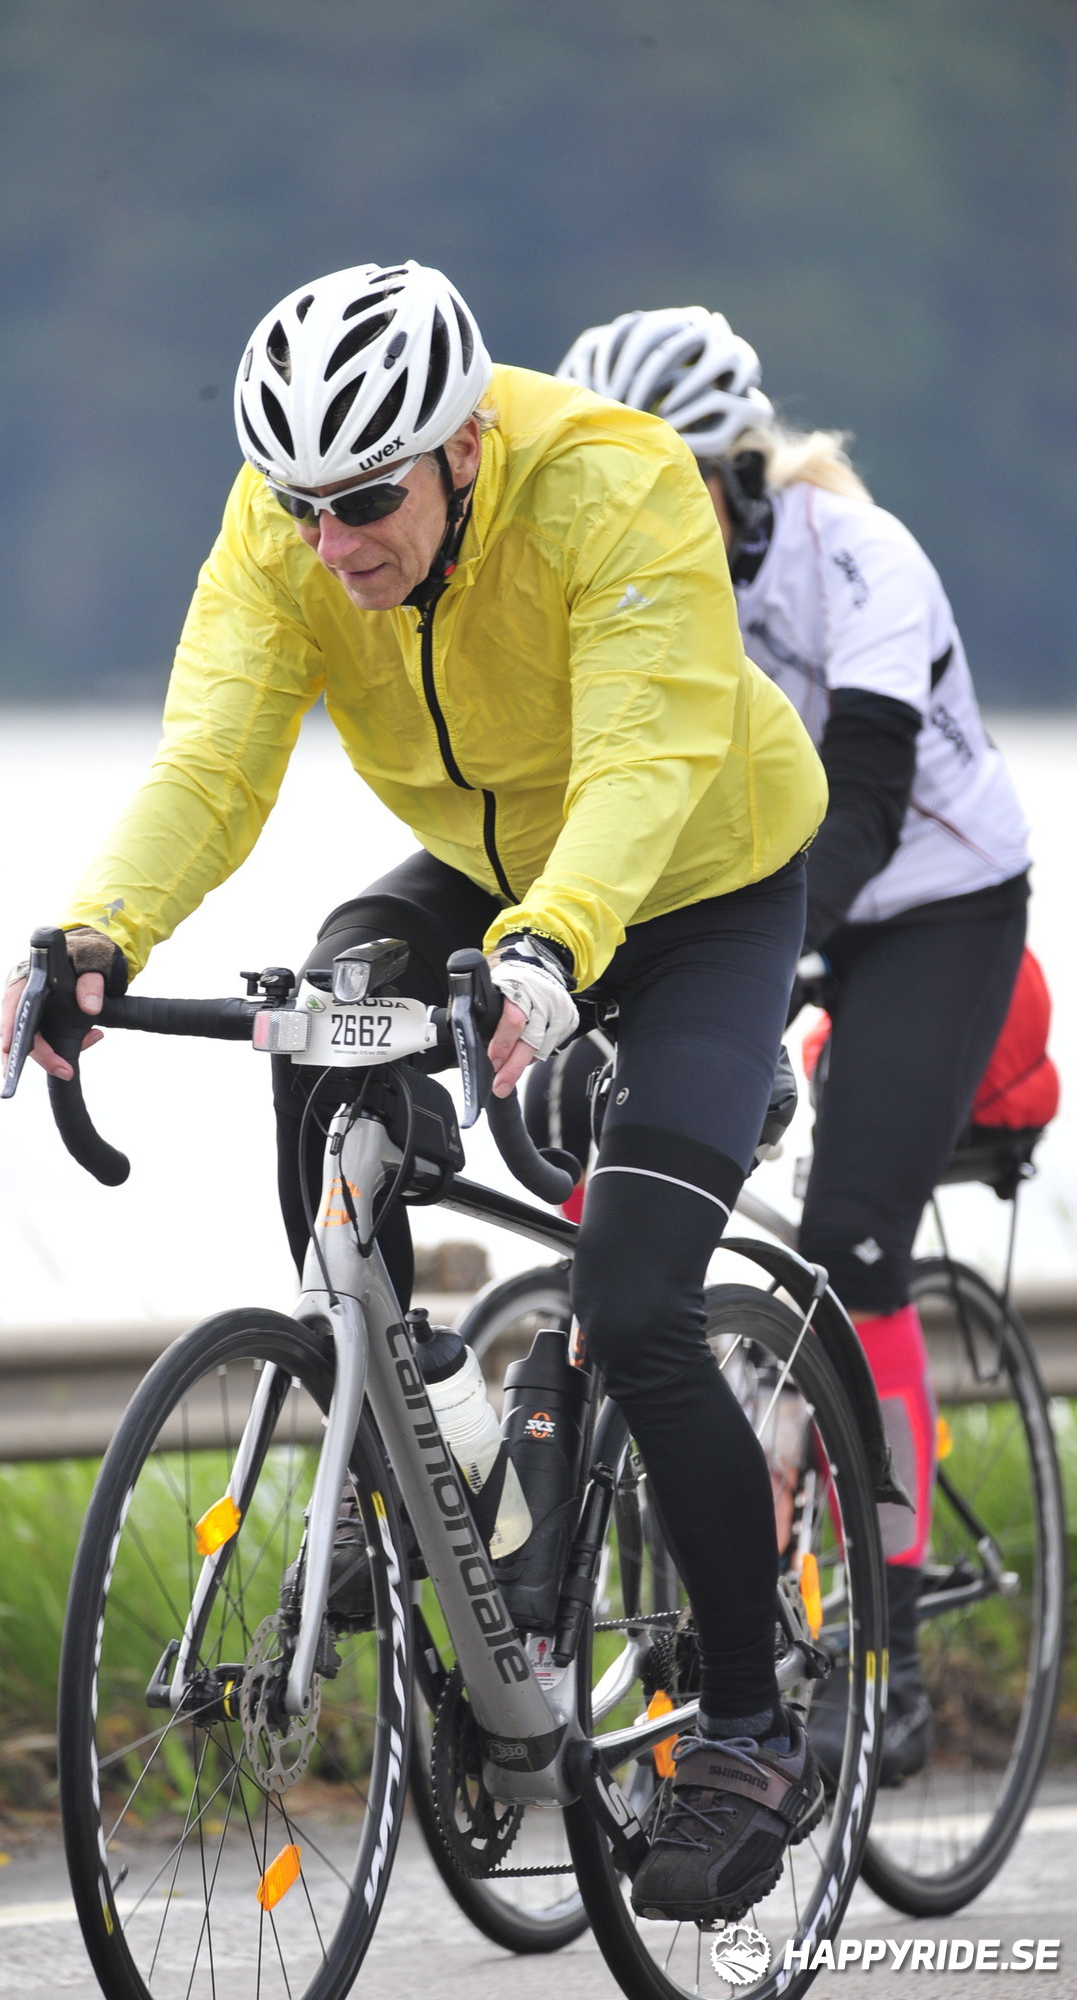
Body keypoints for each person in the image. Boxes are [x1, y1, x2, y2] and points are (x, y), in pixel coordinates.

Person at [1, 262, 830, 1922]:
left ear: (463, 449)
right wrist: (102, 931)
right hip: (491, 873)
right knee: (328, 1012)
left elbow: (648, 761)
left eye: (366, 501)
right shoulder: (292, 531)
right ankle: (429, 1426)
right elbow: (214, 760)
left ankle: (749, 1732)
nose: (332, 543)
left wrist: (551, 950)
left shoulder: (610, 481)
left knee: (637, 1301)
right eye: (300, 505)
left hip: (702, 879)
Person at [556, 305, 1031, 1784]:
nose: (642, 514)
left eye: (671, 484)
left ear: (740, 476)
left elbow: (868, 799)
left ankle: (888, 1637)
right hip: (756, 896)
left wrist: (764, 971)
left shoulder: (861, 560)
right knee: (619, 1199)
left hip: (932, 903)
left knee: (850, 1245)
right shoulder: (628, 584)